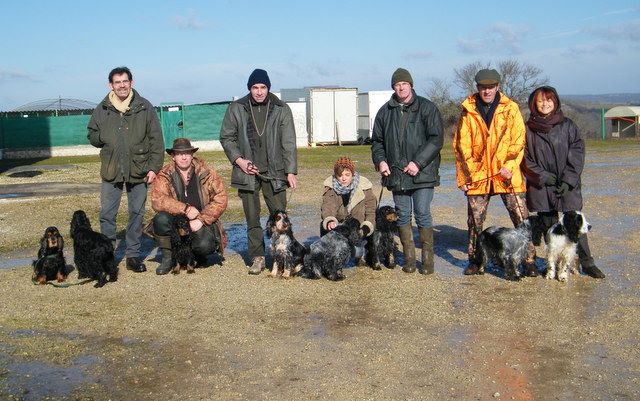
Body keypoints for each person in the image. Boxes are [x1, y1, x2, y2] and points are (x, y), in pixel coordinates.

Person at [453, 68, 537, 277]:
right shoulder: (467, 110)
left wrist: (509, 165)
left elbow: (519, 140)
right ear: (478, 88)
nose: (487, 91)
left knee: (521, 218)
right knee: (474, 221)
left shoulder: (511, 109)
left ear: (498, 87)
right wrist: (464, 177)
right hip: (478, 176)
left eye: (491, 87)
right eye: (483, 87)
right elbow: (461, 146)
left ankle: (529, 260)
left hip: (507, 174)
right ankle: (476, 261)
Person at [220, 68, 298, 275]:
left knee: (280, 217)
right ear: (249, 88)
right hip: (247, 173)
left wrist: (290, 171)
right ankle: (258, 258)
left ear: (268, 88)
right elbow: (227, 137)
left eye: (263, 87)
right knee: (252, 218)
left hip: (275, 173)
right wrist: (239, 160)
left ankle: (284, 257)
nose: (259, 92)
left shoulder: (281, 108)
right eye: (255, 87)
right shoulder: (236, 108)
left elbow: (289, 142)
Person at [87, 66, 164, 273]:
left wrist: (154, 167)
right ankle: (108, 256)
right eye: (117, 82)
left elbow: (156, 139)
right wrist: (103, 137)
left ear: (131, 82)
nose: (121, 85)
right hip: (111, 169)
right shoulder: (102, 108)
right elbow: (92, 134)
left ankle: (132, 256)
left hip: (139, 169)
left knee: (136, 214)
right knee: (107, 215)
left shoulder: (144, 107)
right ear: (110, 85)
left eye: (125, 81)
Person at [523, 86, 605, 279]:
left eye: (548, 100)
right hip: (542, 185)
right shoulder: (527, 129)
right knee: (550, 226)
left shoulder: (568, 125)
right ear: (534, 104)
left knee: (575, 222)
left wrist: (568, 180)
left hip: (567, 183)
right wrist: (544, 176)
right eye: (540, 101)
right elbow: (524, 158)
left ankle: (586, 262)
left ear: (556, 101)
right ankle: (553, 264)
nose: (545, 104)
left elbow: (577, 152)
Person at [371, 68, 444, 275]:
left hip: (423, 173)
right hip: (397, 174)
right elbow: (377, 142)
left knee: (422, 214)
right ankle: (410, 261)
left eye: (404, 83)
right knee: (402, 216)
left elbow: (436, 138)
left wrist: (418, 163)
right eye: (397, 84)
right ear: (393, 87)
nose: (401, 87)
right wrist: (381, 161)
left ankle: (427, 262)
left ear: (411, 85)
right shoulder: (385, 112)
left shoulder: (427, 107)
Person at [150, 138, 228, 275]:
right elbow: (158, 200)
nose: (184, 157)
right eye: (180, 154)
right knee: (161, 219)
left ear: (192, 154)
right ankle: (169, 258)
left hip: (199, 221)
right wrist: (185, 209)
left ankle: (195, 257)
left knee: (205, 246)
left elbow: (221, 198)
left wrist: (201, 219)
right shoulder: (164, 174)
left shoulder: (207, 172)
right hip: (176, 221)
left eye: (187, 153)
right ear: (173, 156)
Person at [320, 156, 376, 238]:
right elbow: (328, 207)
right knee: (323, 227)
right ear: (336, 175)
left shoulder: (365, 187)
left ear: (352, 174)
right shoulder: (330, 187)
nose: (343, 178)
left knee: (358, 250)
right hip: (338, 226)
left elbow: (371, 211)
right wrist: (330, 220)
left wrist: (366, 227)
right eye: (340, 175)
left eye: (347, 175)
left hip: (359, 227)